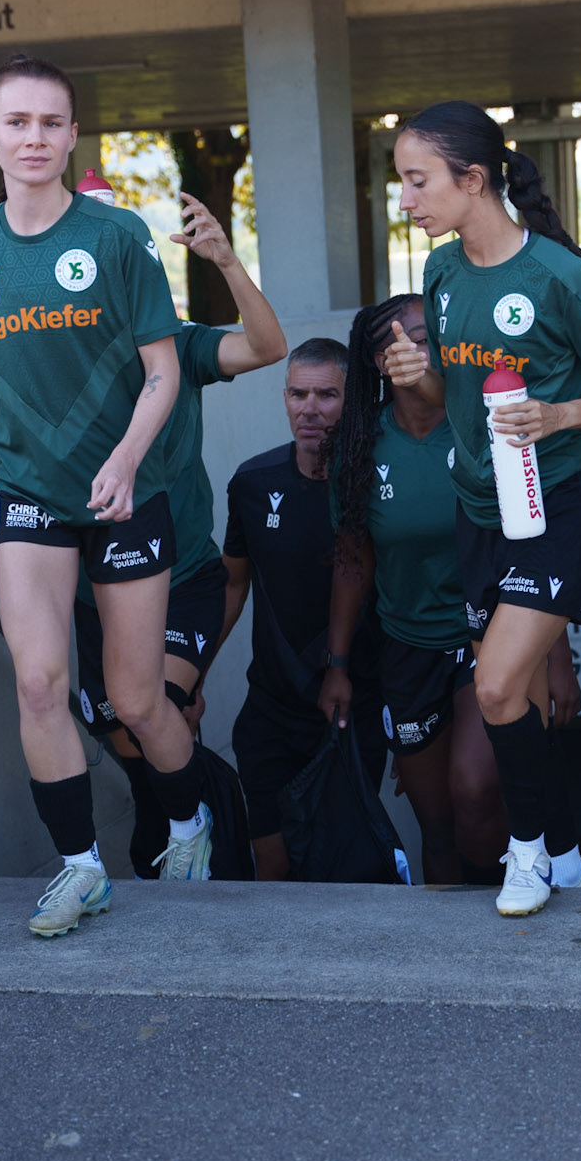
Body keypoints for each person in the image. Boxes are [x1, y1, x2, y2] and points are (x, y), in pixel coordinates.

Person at [0, 53, 213, 933]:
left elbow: (163, 374)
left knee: (133, 700)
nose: (34, 138)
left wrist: (126, 458)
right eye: (17, 122)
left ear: (72, 134)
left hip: (129, 492)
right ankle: (82, 866)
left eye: (51, 123)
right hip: (30, 494)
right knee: (43, 686)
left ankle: (191, 816)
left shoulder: (117, 237)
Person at [384, 101, 581, 917]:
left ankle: (525, 855)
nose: (405, 200)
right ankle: (568, 857)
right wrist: (412, 375)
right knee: (521, 702)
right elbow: (450, 394)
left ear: (472, 180)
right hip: (480, 509)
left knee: (494, 690)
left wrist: (557, 415)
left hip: (557, 505)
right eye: (402, 182)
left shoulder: (558, 276)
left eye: (416, 180)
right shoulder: (439, 273)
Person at [71, 192, 286, 872]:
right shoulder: (52, 349)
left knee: (154, 706)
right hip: (85, 587)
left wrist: (225, 260)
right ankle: (169, 828)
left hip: (182, 573)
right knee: (122, 731)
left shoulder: (179, 341)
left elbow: (266, 346)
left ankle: (197, 839)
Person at [318, 294, 510, 884]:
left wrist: (557, 657)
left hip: (487, 641)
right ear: (379, 361)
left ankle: (515, 920)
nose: (422, 351)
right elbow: (354, 560)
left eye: (431, 338)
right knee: (436, 826)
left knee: (475, 792)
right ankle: (453, 963)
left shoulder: (482, 426)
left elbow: (529, 549)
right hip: (407, 649)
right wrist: (338, 663)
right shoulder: (359, 446)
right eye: (405, 340)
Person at [221, 339, 386, 881]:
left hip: (351, 708)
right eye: (297, 393)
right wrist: (189, 679)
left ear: (353, 399)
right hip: (270, 710)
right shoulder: (252, 482)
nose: (309, 408)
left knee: (345, 865)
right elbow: (232, 586)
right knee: (272, 865)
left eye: (326, 395)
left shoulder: (378, 482)